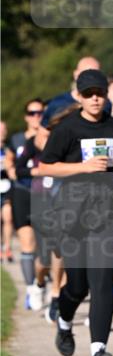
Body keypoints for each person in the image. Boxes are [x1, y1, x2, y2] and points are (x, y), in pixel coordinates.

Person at [37, 69, 113, 356]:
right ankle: (64, 324)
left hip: (108, 210)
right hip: (73, 212)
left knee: (102, 280)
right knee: (78, 285)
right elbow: (44, 167)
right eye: (89, 92)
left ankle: (99, 351)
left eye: (100, 92)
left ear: (106, 95)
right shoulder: (67, 129)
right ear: (79, 96)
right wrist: (82, 167)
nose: (95, 97)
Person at [8, 100, 48, 309]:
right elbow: (11, 165)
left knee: (45, 246)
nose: (36, 116)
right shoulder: (16, 139)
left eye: (40, 112)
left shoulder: (49, 137)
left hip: (45, 193)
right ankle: (31, 288)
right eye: (32, 113)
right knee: (27, 243)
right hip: (23, 191)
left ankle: (42, 282)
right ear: (26, 116)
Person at [0, 122, 14, 262]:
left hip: (7, 187)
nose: (1, 132)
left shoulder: (9, 147)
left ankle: (7, 248)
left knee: (8, 219)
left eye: (3, 129)